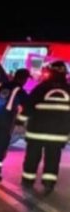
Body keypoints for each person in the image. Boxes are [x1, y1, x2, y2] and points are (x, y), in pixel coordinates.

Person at [21, 60, 70, 195]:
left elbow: (28, 107)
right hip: (58, 134)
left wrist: (19, 122)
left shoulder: (41, 88)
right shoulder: (69, 90)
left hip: (36, 132)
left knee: (32, 156)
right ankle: (49, 183)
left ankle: (28, 180)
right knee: (53, 158)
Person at [0, 68, 30, 182]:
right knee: (1, 147)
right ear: (23, 79)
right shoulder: (19, 90)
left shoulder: (0, 86)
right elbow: (28, 106)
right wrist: (21, 121)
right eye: (26, 79)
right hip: (6, 120)